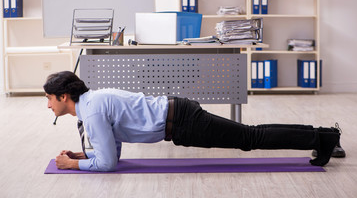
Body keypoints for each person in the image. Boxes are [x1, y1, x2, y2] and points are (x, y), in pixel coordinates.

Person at [44, 71, 341, 172]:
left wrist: (74, 164)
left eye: (49, 98)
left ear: (64, 96)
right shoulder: (92, 102)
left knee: (249, 139)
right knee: (250, 136)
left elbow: (108, 166)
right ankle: (323, 136)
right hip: (179, 117)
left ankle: (321, 139)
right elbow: (114, 152)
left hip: (183, 121)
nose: (47, 105)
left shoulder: (92, 111)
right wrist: (87, 155)